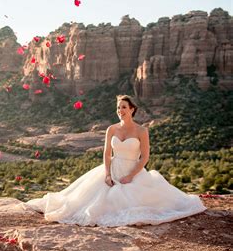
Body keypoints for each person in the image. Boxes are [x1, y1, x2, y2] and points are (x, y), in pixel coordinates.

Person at [26, 95, 206, 226]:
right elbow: (106, 153)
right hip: (112, 168)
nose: (120, 111)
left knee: (139, 201)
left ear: (132, 110)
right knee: (80, 202)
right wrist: (107, 174)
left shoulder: (142, 131)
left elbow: (145, 157)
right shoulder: (111, 129)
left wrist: (130, 176)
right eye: (118, 108)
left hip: (133, 171)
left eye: (124, 108)